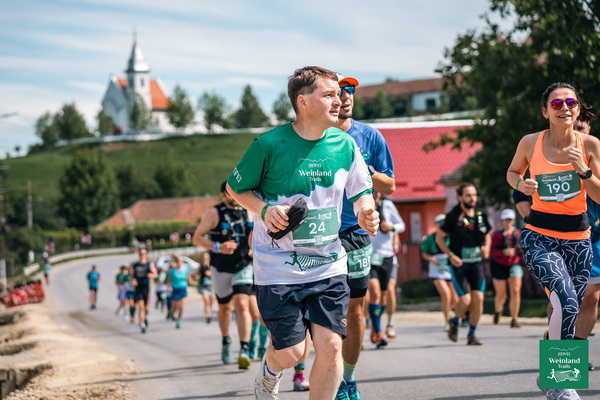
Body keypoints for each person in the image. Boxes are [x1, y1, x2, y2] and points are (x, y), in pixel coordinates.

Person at [226, 66, 379, 400]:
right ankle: (269, 374)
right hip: (278, 267)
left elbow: (361, 191)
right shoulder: (268, 145)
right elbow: (235, 188)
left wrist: (366, 211)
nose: (339, 100)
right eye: (329, 94)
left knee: (331, 346)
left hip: (328, 264)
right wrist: (264, 210)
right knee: (292, 353)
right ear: (303, 101)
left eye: (340, 94)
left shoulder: (345, 144)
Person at [507, 82, 600, 399]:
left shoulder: (590, 145)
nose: (565, 108)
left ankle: (551, 376)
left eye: (570, 103)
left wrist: (583, 171)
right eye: (556, 104)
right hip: (540, 237)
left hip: (579, 240)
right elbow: (512, 173)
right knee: (567, 300)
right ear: (545, 111)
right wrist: (521, 185)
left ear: (578, 108)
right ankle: (562, 383)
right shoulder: (530, 142)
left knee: (571, 308)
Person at [334, 74, 395, 400]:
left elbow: (391, 185)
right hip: (321, 235)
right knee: (323, 312)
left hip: (356, 234)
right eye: (338, 91)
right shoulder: (316, 136)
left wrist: (364, 169)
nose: (345, 96)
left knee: (355, 312)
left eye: (350, 91)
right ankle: (316, 369)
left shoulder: (370, 136)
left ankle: (348, 380)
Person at [192, 181, 254, 370]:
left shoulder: (248, 211)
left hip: (243, 264)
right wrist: (218, 247)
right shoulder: (214, 213)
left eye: (237, 193)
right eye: (230, 193)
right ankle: (226, 340)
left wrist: (254, 248)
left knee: (242, 304)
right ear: (223, 195)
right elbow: (197, 238)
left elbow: (257, 233)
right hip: (220, 267)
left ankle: (244, 349)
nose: (235, 197)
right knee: (225, 308)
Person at [436, 183, 492, 346]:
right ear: (460, 197)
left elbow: (487, 234)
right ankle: (454, 321)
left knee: (478, 298)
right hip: (459, 264)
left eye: (474, 195)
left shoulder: (481, 214)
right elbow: (439, 238)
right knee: (465, 300)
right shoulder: (453, 216)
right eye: (468, 195)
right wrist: (451, 255)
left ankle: (472, 334)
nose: (472, 198)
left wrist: (486, 247)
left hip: (476, 263)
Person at [572, 117, 600, 371]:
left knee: (592, 297)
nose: (578, 132)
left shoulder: (595, 152)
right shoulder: (549, 152)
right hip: (564, 237)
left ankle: (575, 351)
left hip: (595, 239)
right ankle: (560, 353)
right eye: (575, 128)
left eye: (582, 127)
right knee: (566, 298)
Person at [367, 191, 405, 348]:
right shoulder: (363, 206)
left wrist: (391, 227)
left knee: (384, 297)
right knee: (375, 293)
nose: (375, 195)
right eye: (372, 192)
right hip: (370, 256)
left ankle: (375, 325)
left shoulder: (388, 205)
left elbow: (401, 225)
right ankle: (378, 331)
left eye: (377, 192)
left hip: (387, 256)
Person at [421, 214, 458, 331]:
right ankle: (447, 321)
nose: (442, 225)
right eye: (439, 223)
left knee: (455, 299)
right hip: (437, 270)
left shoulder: (452, 237)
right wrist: (430, 258)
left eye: (443, 222)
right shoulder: (430, 238)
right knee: (446, 295)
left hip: (449, 268)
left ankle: (449, 311)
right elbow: (424, 253)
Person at [490, 208, 523, 328]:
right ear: (502, 221)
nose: (508, 222)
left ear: (513, 220)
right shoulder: (496, 234)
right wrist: (503, 252)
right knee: (501, 294)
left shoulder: (517, 233)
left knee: (515, 290)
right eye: (506, 220)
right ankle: (498, 311)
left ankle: (514, 319)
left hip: (514, 264)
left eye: (510, 219)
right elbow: (491, 251)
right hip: (498, 265)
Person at [129, 248, 158, 333]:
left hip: (146, 287)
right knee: (141, 306)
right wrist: (133, 280)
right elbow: (131, 276)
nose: (142, 255)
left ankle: (144, 317)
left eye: (143, 254)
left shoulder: (149, 264)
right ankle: (142, 325)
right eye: (140, 254)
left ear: (146, 255)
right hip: (138, 287)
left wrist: (151, 275)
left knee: (146, 308)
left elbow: (155, 274)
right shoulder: (135, 265)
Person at [166, 255, 195, 329]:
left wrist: (193, 282)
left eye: (181, 261)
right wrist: (169, 287)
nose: (180, 262)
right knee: (174, 307)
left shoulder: (185, 270)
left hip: (183, 289)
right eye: (178, 261)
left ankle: (178, 321)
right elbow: (168, 280)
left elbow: (189, 279)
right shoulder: (173, 271)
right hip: (175, 290)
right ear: (176, 262)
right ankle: (171, 313)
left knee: (181, 306)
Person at [196, 252, 215, 324]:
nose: (205, 258)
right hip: (203, 285)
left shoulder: (212, 265)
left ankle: (209, 310)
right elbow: (197, 274)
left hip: (211, 285)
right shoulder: (200, 266)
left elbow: (215, 274)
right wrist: (197, 276)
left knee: (211, 300)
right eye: (204, 257)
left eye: (206, 257)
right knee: (206, 300)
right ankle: (208, 316)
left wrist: (210, 273)